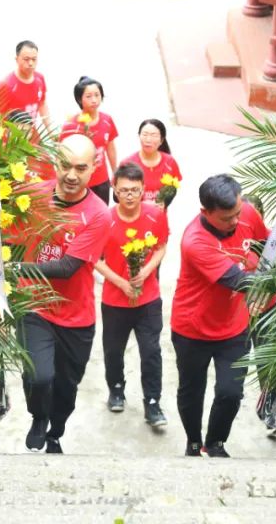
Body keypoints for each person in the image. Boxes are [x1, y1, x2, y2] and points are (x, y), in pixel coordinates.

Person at [15, 134, 110, 454]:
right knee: (39, 376)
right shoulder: (31, 196)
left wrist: (13, 269)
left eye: (80, 168)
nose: (71, 175)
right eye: (65, 165)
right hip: (34, 306)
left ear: (94, 167)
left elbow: (68, 267)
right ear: (54, 162)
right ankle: (38, 416)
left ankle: (55, 430)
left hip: (75, 316)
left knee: (67, 389)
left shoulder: (98, 214)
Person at [171, 174, 268, 458]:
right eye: (227, 218)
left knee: (230, 393)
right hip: (192, 328)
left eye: (238, 213)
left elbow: (266, 244)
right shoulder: (195, 241)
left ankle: (215, 443)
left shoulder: (245, 212)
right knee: (191, 391)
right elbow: (239, 281)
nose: (236, 221)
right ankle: (193, 442)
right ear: (205, 212)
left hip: (235, 327)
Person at [94, 163, 169, 428]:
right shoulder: (104, 219)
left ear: (143, 190)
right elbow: (94, 258)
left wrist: (147, 271)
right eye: (124, 190)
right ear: (114, 189)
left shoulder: (155, 215)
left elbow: (161, 246)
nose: (129, 195)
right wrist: (120, 282)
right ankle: (116, 389)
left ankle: (153, 402)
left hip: (148, 299)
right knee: (113, 350)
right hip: (114, 300)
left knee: (151, 351)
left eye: (135, 190)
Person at [60, 76, 117, 204]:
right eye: (89, 96)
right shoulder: (71, 125)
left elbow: (110, 147)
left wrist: (115, 172)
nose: (94, 100)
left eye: (97, 95)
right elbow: (62, 155)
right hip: (78, 182)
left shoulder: (107, 120)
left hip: (101, 181)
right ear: (79, 99)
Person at [121, 119, 182, 208]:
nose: (148, 140)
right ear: (139, 136)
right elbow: (117, 195)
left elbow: (173, 187)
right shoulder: (127, 164)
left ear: (162, 140)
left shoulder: (170, 162)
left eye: (154, 135)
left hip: (159, 214)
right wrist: (142, 204)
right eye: (145, 134)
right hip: (133, 213)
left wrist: (164, 202)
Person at [0, 40, 50, 126]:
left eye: (34, 59)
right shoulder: (5, 85)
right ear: (17, 59)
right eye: (26, 59)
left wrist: (50, 129)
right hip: (13, 133)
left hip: (31, 131)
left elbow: (42, 104)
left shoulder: (40, 78)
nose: (30, 63)